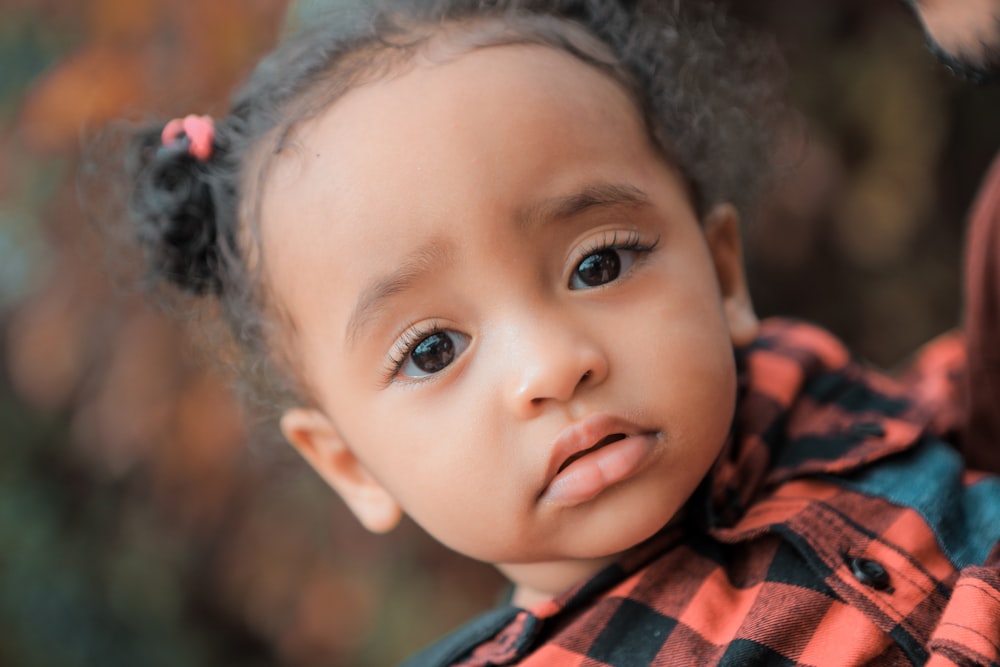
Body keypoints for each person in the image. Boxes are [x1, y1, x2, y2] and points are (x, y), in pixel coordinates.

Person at [122, 0, 1000, 664]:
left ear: (722, 273)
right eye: (432, 349)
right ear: (349, 462)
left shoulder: (813, 394)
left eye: (601, 264)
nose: (551, 366)